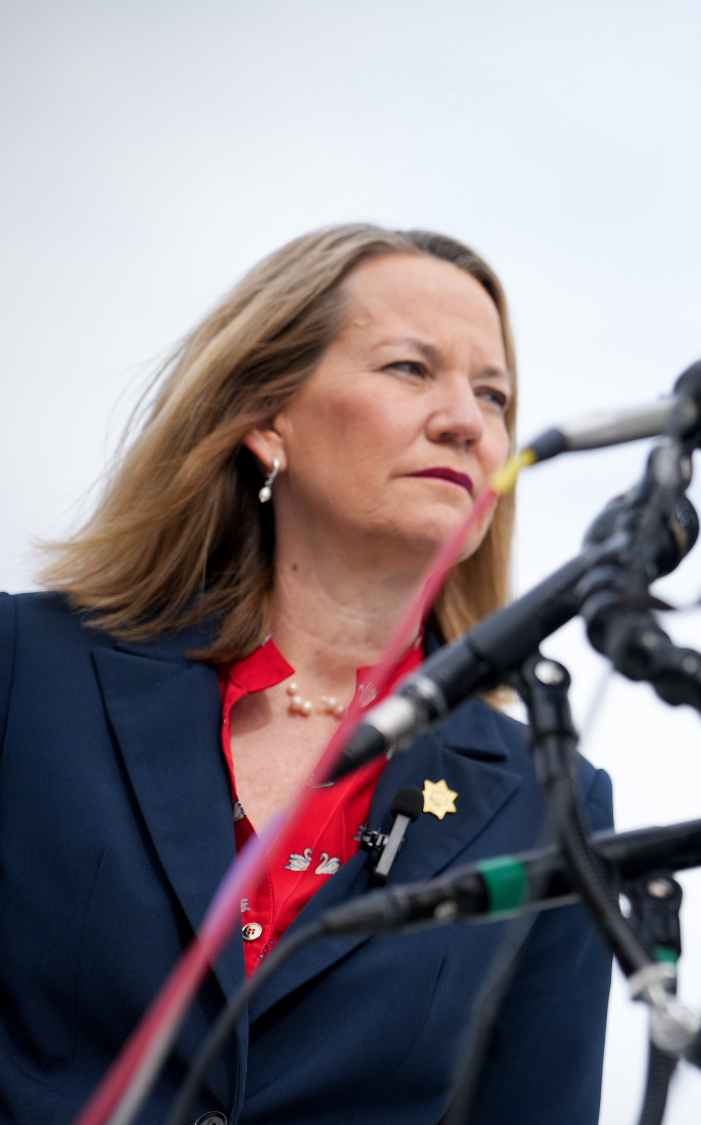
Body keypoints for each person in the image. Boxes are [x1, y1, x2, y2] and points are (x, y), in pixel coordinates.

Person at [0, 224, 612, 1124]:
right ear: (265, 415)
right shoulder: (26, 670)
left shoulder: (549, 801)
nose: (467, 421)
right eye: (411, 368)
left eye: (494, 394)